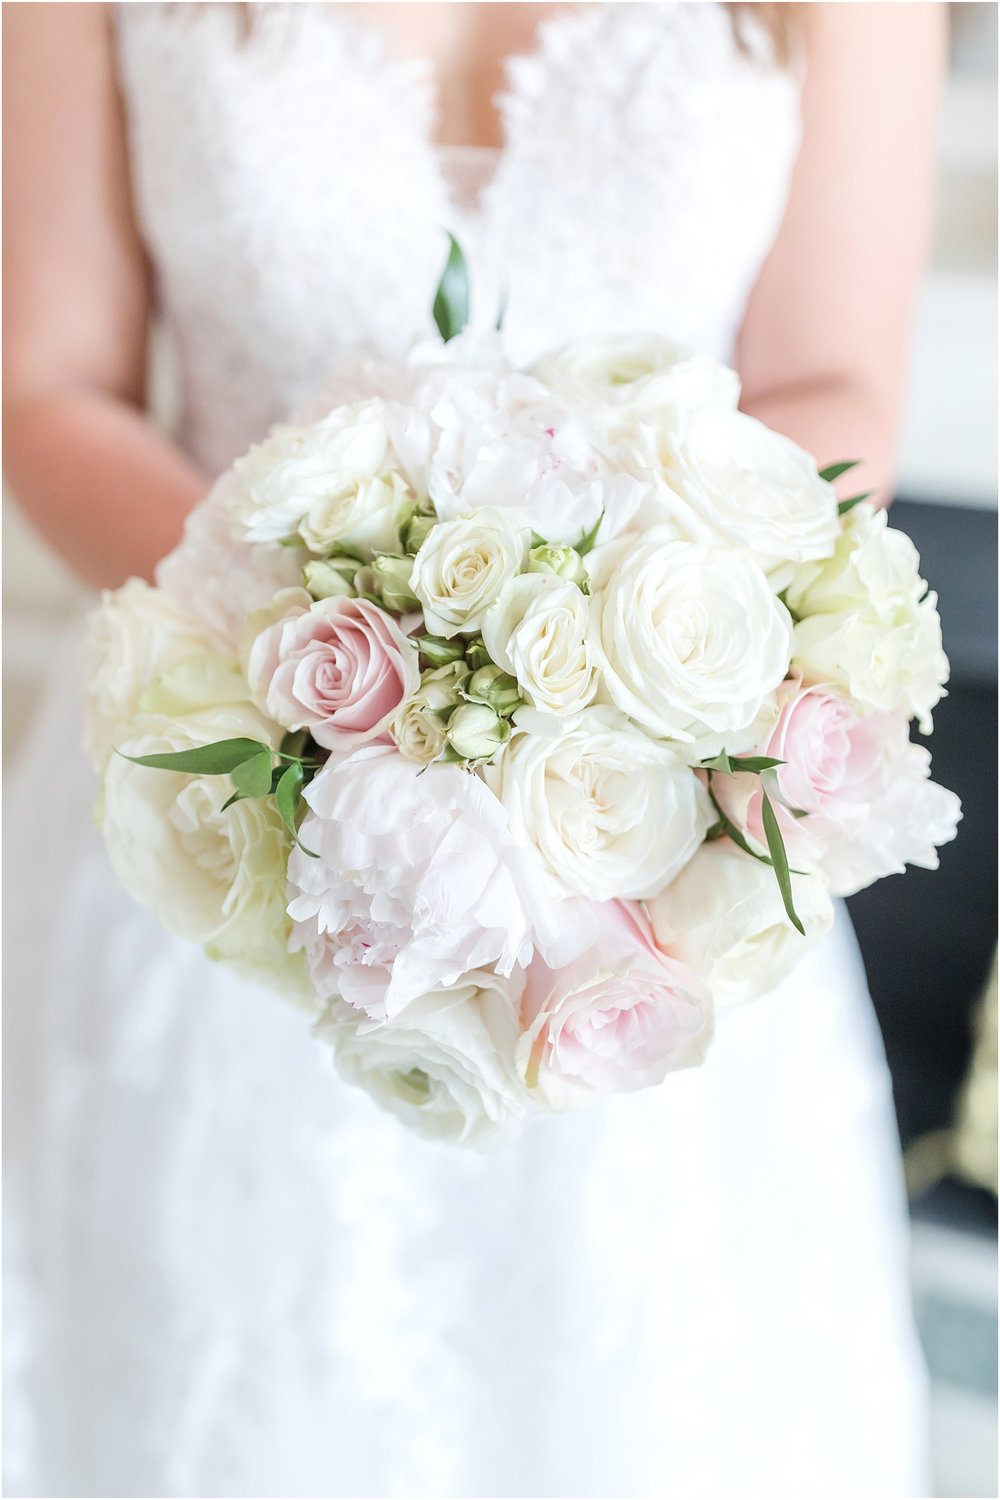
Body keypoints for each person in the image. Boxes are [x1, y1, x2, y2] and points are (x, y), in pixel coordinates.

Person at [2, 4, 944, 1495]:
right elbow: (55, 389)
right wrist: (329, 659)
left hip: (645, 817)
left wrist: (595, 663)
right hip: (213, 809)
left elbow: (834, 386)